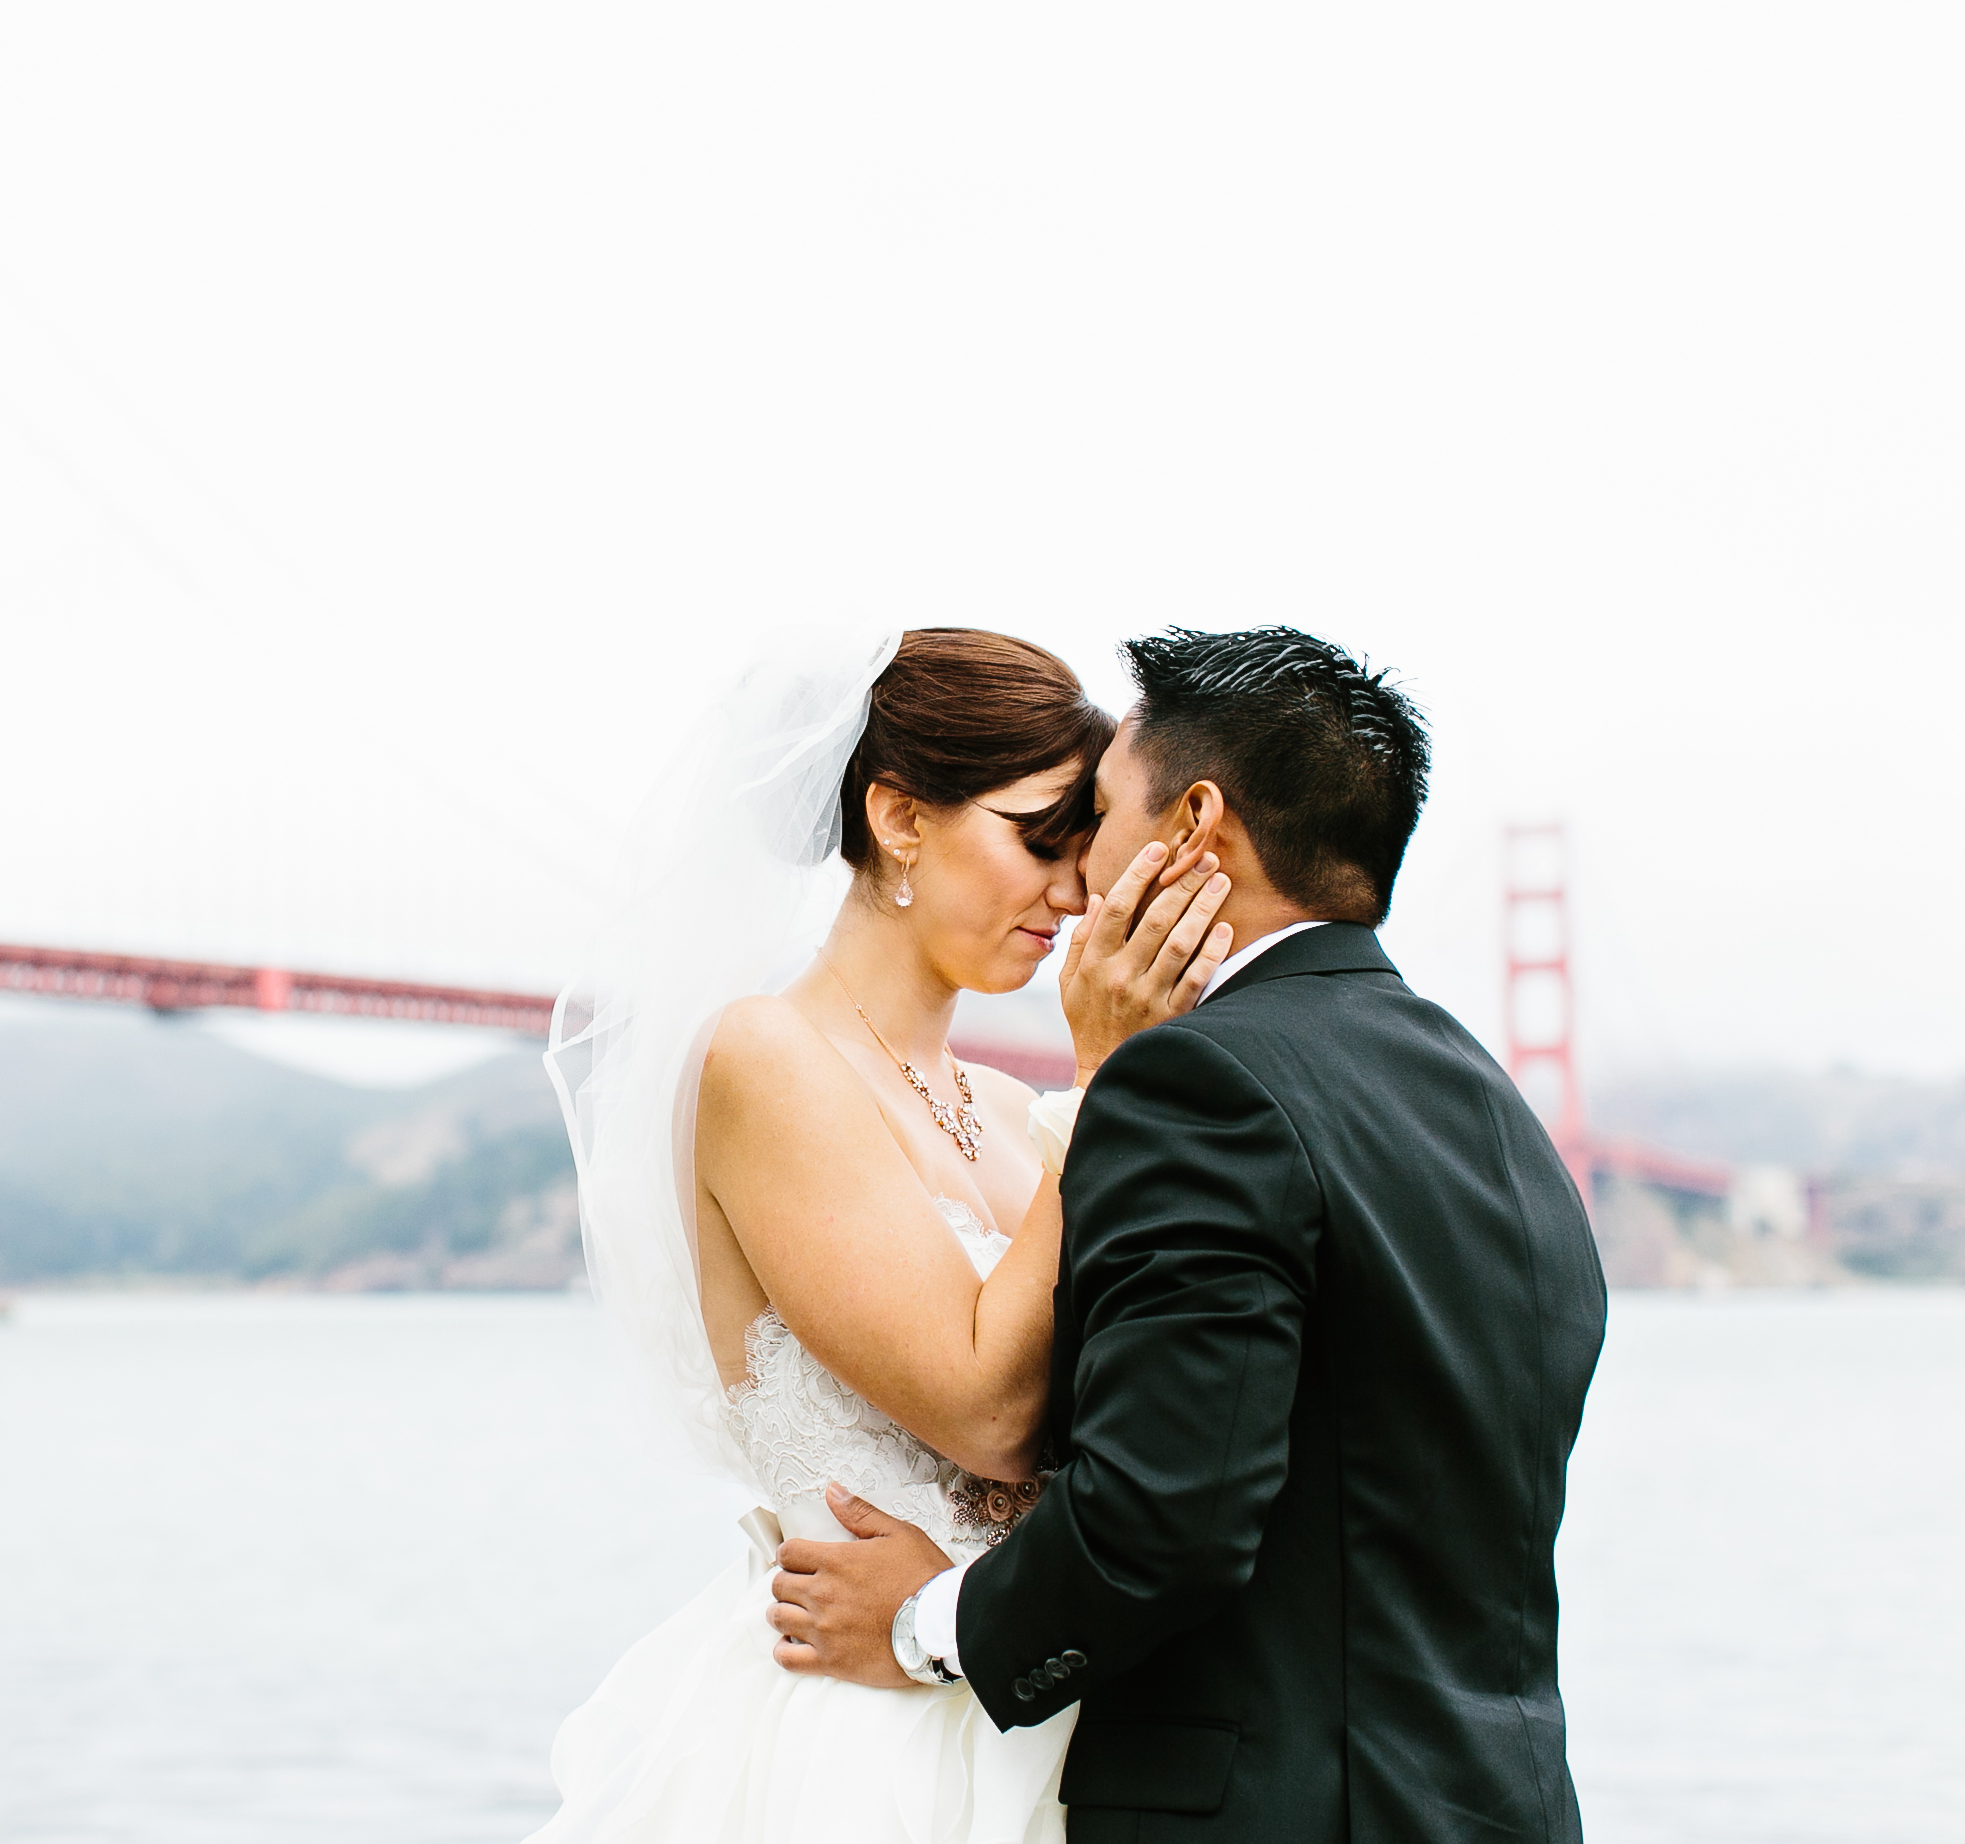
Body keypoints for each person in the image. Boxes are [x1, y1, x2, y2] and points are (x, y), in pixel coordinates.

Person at [767, 628, 1609, 1841]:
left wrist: (925, 1625)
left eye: (1097, 814)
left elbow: (1168, 1516)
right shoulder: (1492, 1112)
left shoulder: (1200, 1089)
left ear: (1194, 823)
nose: (1078, 881)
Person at [533, 628, 1229, 1843]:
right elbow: (986, 1410)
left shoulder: (1022, 1114)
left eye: (1083, 852)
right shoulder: (765, 1059)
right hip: (869, 1747)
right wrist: (1113, 1083)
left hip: (1044, 1697)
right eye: (1036, 838)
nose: (1073, 894)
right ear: (900, 816)